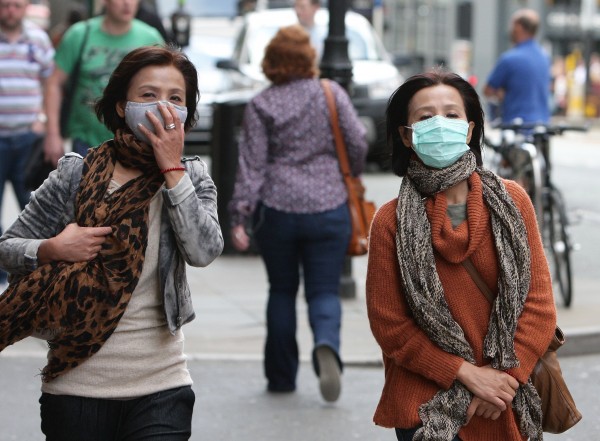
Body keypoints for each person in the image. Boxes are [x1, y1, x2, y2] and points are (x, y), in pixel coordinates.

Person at [0, 44, 224, 440]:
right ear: (122, 105)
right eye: (148, 95)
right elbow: (8, 246)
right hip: (77, 384)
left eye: (176, 98)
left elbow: (203, 251)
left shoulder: (192, 178)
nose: (163, 107)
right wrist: (51, 249)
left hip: (162, 382)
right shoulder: (77, 174)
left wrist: (172, 168)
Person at [366, 69, 557, 440]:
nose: (440, 124)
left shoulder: (513, 202)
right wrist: (467, 376)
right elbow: (391, 326)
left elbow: (538, 304)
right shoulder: (390, 221)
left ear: (469, 130)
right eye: (425, 117)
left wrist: (502, 381)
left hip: (505, 398)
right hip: (426, 403)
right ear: (406, 136)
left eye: (451, 115)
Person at [228, 25, 368, 402]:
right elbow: (358, 140)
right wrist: (351, 173)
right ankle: (326, 344)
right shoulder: (330, 93)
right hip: (329, 207)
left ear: (271, 63)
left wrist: (240, 215)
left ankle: (281, 377)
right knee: (324, 291)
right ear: (308, 58)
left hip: (278, 210)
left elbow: (252, 165)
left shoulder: (262, 105)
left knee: (282, 291)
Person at [43, 0, 164, 165]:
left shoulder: (150, 37)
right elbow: (54, 83)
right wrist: (52, 134)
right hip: (86, 142)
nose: (127, 3)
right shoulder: (79, 34)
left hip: (137, 143)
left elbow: (164, 89)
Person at [0, 0, 54, 290]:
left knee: (33, 205)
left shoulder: (37, 40)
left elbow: (50, 83)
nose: (10, 11)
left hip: (28, 137)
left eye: (16, 5)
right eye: (5, 5)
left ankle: (34, 271)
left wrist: (44, 121)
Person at [484, 8, 551, 124]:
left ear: (519, 27)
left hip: (516, 126)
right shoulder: (545, 57)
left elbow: (488, 90)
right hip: (542, 126)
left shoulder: (509, 59)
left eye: (512, 25)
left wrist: (500, 93)